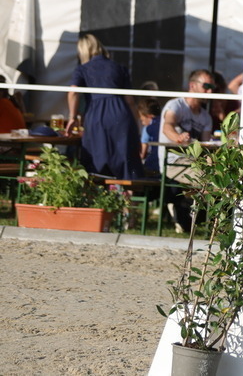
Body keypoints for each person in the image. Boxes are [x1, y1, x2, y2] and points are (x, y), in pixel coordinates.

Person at [66, 34, 142, 179]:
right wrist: (136, 128)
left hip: (97, 116)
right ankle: (129, 199)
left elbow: (73, 92)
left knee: (96, 160)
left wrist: (72, 117)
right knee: (126, 160)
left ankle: (96, 197)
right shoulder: (119, 68)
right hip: (121, 114)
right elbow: (130, 100)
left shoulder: (83, 69)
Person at [158, 69, 216, 232]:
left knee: (219, 175)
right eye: (206, 86)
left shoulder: (206, 116)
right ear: (192, 85)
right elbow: (167, 126)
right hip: (173, 162)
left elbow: (206, 145)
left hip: (192, 162)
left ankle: (197, 218)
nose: (210, 91)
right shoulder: (175, 105)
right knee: (212, 179)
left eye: (212, 87)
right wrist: (177, 137)